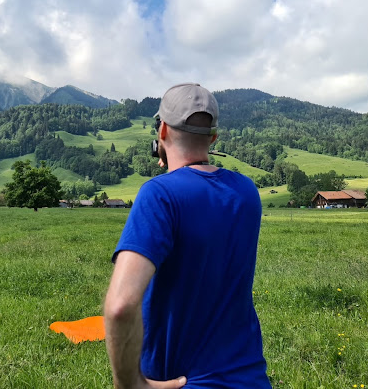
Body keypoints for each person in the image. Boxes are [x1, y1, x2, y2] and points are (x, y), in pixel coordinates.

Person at [104, 83, 270, 388]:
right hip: (250, 379)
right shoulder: (246, 192)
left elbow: (120, 306)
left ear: (162, 130)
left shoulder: (160, 194)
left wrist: (132, 385)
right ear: (213, 137)